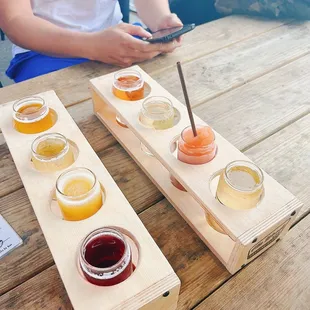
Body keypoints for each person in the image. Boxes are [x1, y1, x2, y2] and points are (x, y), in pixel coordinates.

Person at [0, 0, 183, 83]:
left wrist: (161, 20)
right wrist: (93, 46)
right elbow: (15, 20)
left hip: (117, 37)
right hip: (43, 49)